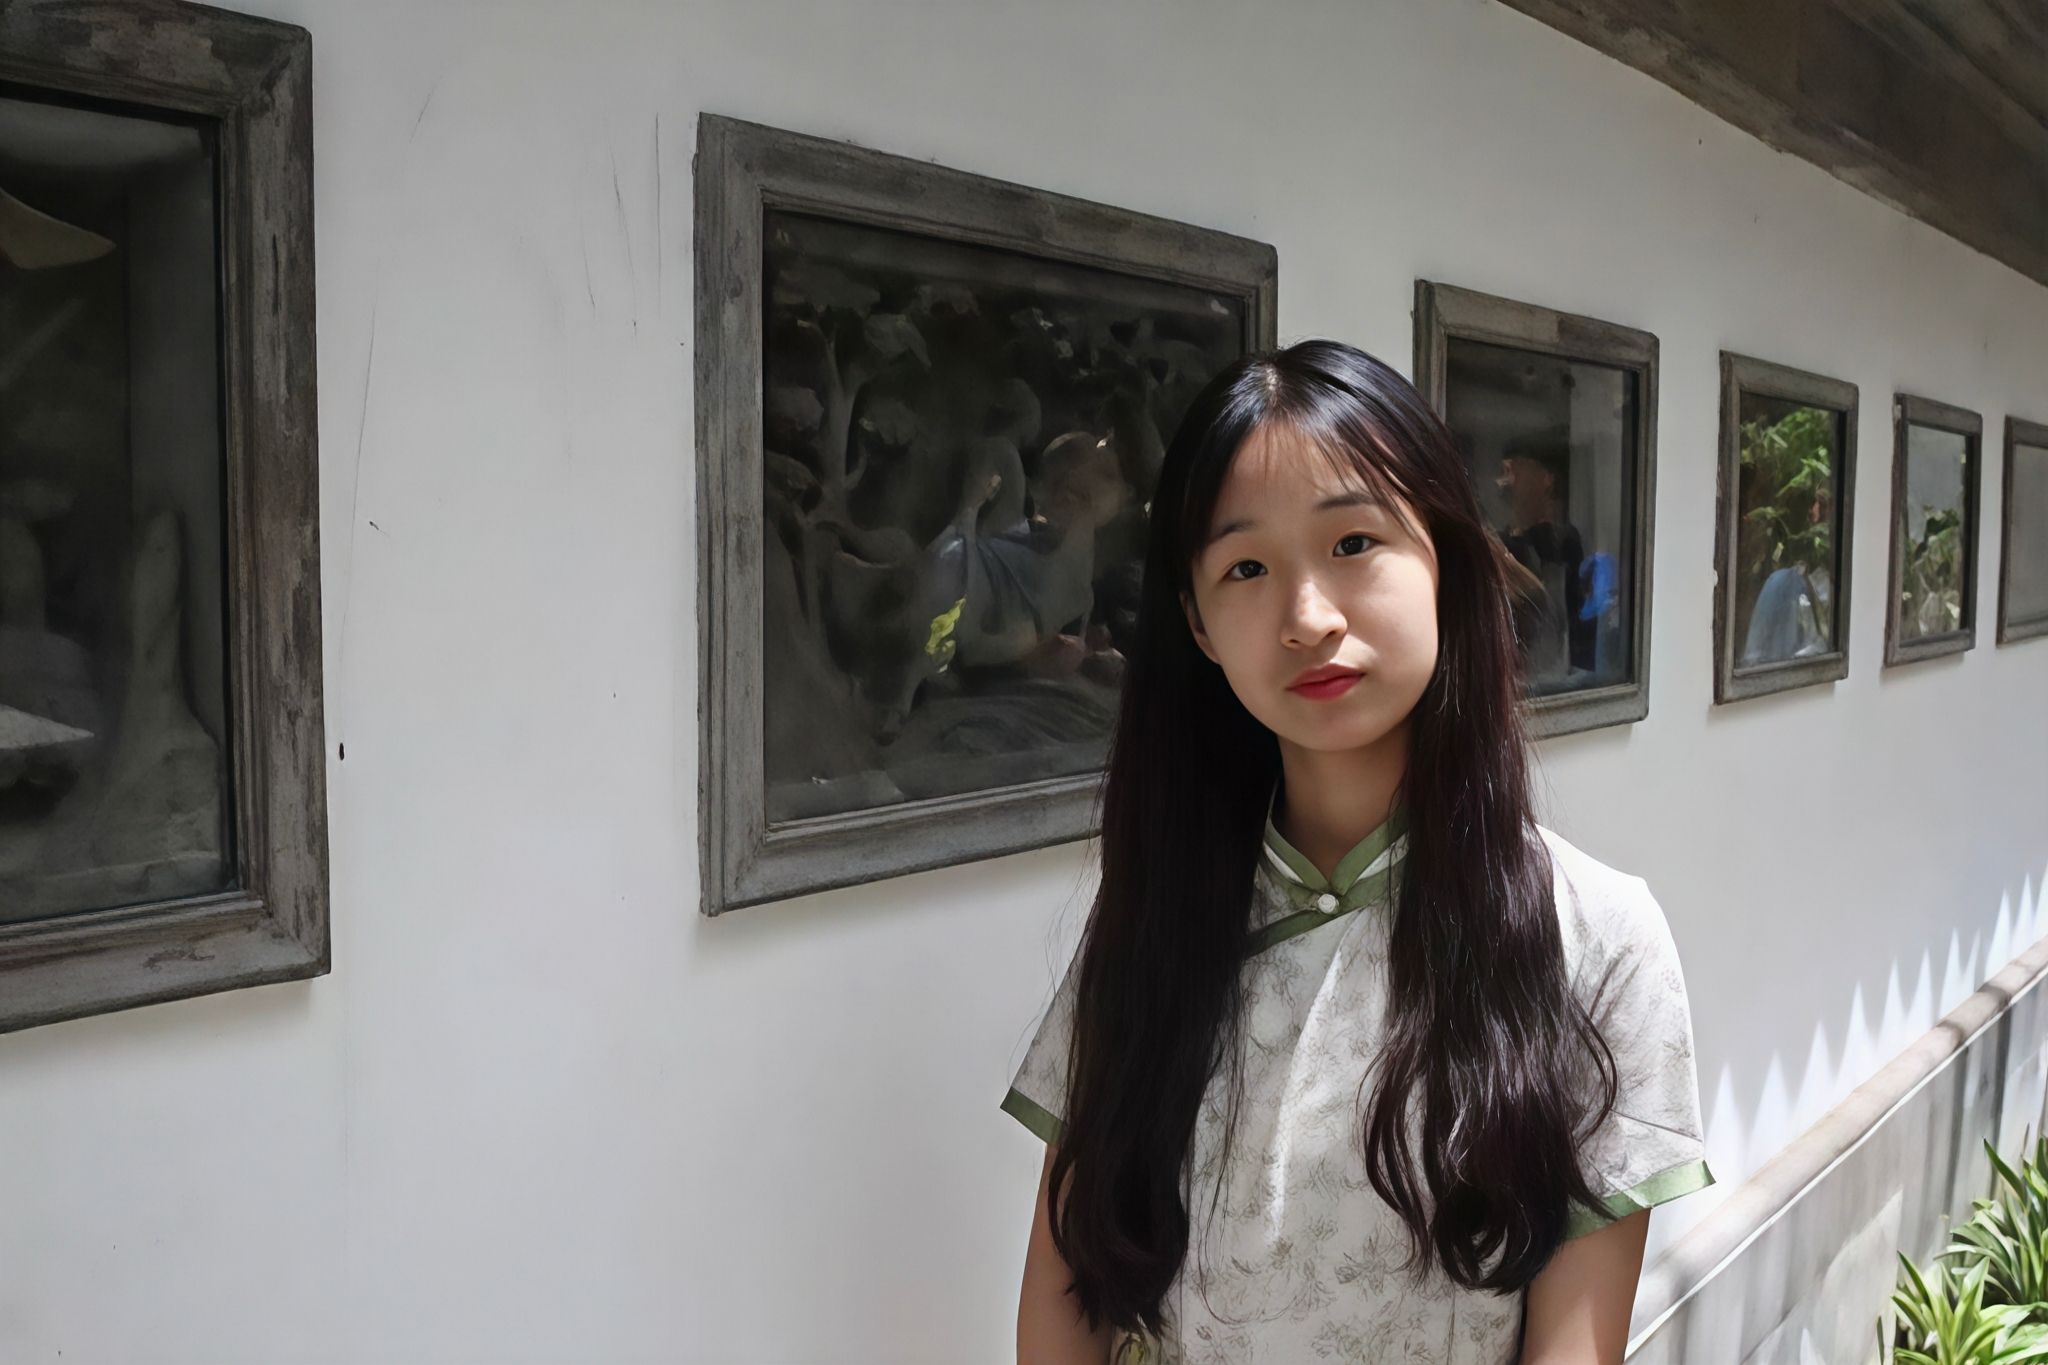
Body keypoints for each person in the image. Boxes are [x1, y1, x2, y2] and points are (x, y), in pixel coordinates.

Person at [1001, 340, 1712, 1364]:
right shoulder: (1153, 924)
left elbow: (1573, 1344)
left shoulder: (1596, 940)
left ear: (1445, 562)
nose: (1307, 618)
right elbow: (1069, 1295)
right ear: (1197, 623)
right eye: (1246, 567)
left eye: (1352, 543)